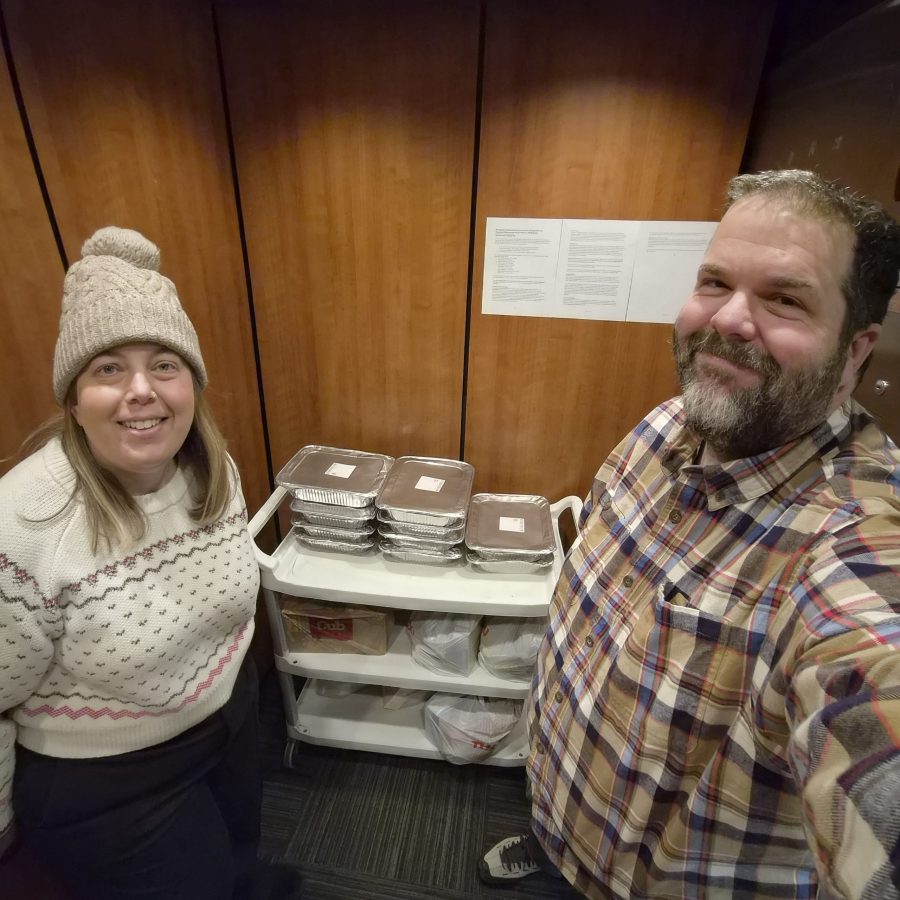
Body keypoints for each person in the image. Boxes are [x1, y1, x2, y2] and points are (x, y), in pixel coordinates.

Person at [480, 170, 900, 898]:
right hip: (568, 807)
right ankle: (553, 846)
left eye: (784, 298)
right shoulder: (663, 428)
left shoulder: (852, 543)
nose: (729, 320)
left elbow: (869, 690)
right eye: (715, 283)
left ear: (856, 349)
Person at [0, 227, 298, 899]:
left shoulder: (210, 467)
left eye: (164, 364)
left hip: (226, 719)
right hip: (109, 778)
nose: (142, 390)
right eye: (109, 369)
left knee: (237, 861)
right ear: (74, 399)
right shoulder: (21, 524)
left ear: (191, 382)